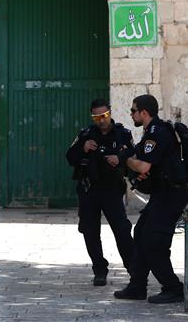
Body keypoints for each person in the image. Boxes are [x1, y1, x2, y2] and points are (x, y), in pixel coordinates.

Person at [114, 94, 188, 304]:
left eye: (133, 110)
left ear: (143, 112)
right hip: (163, 194)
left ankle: (173, 289)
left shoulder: (158, 132)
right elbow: (141, 157)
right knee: (140, 233)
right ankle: (137, 286)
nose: (131, 114)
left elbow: (143, 165)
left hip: (171, 195)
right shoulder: (151, 131)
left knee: (154, 242)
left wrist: (126, 160)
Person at [65, 98, 135, 286]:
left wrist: (118, 158)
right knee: (90, 231)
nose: (101, 120)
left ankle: (134, 270)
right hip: (89, 190)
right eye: (96, 117)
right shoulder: (86, 134)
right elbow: (70, 156)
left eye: (104, 115)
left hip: (112, 190)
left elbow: (133, 154)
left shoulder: (122, 134)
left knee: (122, 230)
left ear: (110, 113)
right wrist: (83, 147)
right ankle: (99, 270)